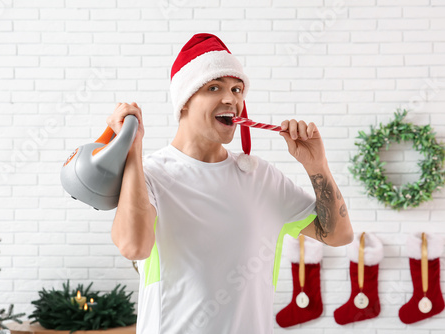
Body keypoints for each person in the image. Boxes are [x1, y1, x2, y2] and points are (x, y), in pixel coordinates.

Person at [107, 33, 353, 334]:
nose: (231, 99)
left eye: (237, 89)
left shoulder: (261, 177)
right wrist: (132, 149)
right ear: (184, 101)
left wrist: (317, 166)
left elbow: (338, 235)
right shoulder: (151, 175)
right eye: (214, 87)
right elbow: (133, 246)